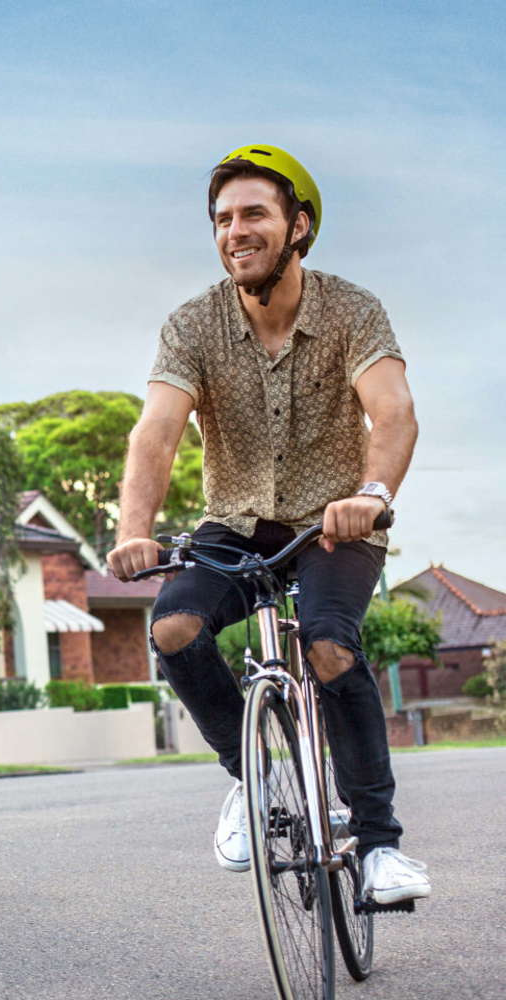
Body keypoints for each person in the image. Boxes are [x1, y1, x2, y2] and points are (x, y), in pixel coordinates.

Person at [107, 145, 431, 905]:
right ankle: (249, 776)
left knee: (326, 642)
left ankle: (380, 847)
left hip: (336, 524)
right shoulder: (193, 324)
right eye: (222, 219)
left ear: (299, 228)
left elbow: (394, 411)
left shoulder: (352, 309)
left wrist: (373, 491)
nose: (234, 231)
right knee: (174, 628)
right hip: (235, 520)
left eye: (254, 214)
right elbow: (155, 431)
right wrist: (133, 528)